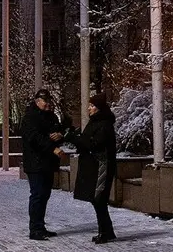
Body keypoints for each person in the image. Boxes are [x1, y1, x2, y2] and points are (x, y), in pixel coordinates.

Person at [67, 93, 118, 244]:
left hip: (102, 166)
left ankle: (105, 232)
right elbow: (87, 141)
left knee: (99, 199)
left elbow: (94, 144)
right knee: (97, 200)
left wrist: (75, 139)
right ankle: (107, 231)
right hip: (95, 165)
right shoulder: (96, 122)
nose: (89, 108)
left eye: (91, 106)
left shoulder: (104, 124)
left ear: (98, 108)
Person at [21, 89, 65, 241]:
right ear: (37, 101)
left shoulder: (52, 116)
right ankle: (35, 229)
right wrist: (53, 147)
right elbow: (35, 138)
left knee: (44, 195)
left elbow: (57, 132)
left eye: (48, 101)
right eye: (44, 101)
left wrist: (60, 135)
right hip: (35, 163)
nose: (47, 104)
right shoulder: (29, 118)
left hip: (48, 163)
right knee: (38, 195)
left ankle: (40, 226)